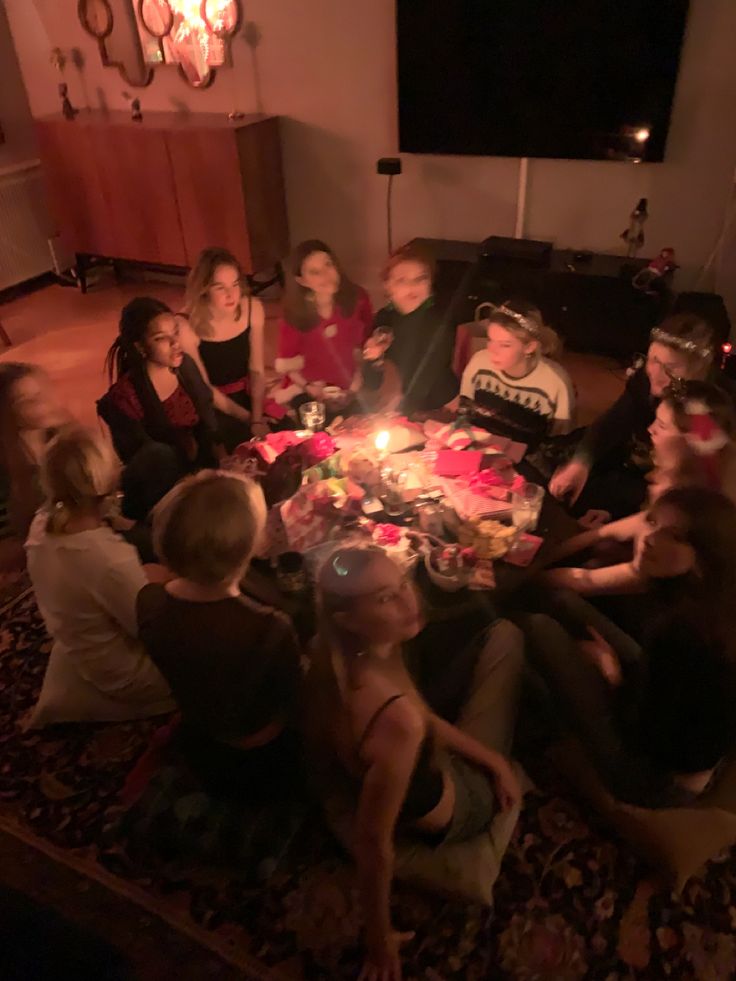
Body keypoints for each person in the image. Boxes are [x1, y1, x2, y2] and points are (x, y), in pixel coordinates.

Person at [306, 546, 523, 980]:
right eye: (386, 598)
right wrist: (379, 942)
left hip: (410, 760)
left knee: (487, 650)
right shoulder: (396, 720)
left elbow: (423, 717)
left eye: (404, 584)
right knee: (508, 640)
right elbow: (373, 844)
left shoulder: (334, 650)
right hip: (461, 807)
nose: (411, 601)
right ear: (347, 618)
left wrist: (491, 760)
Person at [523, 486, 736, 808]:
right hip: (664, 711)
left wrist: (612, 676)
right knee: (562, 601)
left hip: (654, 776)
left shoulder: (683, 631)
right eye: (652, 524)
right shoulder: (703, 589)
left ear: (705, 557)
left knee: (540, 629)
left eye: (675, 536)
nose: (650, 538)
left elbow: (649, 738)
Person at [137, 470, 303, 803]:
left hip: (199, 735)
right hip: (264, 755)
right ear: (252, 544)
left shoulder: (149, 602)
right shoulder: (269, 627)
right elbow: (293, 697)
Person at [25, 427, 173, 727]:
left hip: (83, 639)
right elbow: (152, 631)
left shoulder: (40, 526)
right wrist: (167, 580)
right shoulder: (106, 558)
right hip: (126, 673)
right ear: (103, 480)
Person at [541, 379, 736, 596]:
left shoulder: (695, 509)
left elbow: (599, 580)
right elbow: (608, 532)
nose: (650, 429)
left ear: (689, 444)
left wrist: (530, 576)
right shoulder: (680, 485)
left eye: (661, 426)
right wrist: (548, 555)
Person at [549, 313, 728, 518]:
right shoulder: (644, 380)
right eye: (653, 360)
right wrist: (581, 463)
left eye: (669, 368)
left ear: (698, 368)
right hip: (631, 459)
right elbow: (613, 422)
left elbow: (697, 492)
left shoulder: (709, 412)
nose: (656, 374)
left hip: (661, 486)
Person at [97, 297, 219, 521]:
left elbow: (208, 415)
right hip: (162, 491)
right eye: (161, 338)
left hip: (198, 468)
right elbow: (147, 462)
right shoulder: (125, 399)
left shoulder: (184, 367)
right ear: (140, 347)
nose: (175, 343)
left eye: (175, 333)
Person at [180, 247, 269, 450]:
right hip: (214, 406)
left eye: (235, 284)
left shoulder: (252, 308)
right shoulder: (186, 325)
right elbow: (204, 390)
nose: (231, 294)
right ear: (204, 289)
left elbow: (257, 370)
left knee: (285, 431)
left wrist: (257, 418)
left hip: (249, 395)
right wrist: (249, 420)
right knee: (241, 445)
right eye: (220, 287)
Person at [454, 299, 574, 445]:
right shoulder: (479, 363)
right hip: (476, 454)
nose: (492, 350)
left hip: (523, 464)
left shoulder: (556, 384)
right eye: (490, 340)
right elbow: (464, 415)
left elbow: (558, 446)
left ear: (529, 347)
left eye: (505, 345)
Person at [274, 240, 373, 417]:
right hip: (308, 386)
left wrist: (357, 380)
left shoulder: (358, 298)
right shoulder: (294, 314)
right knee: (320, 431)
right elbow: (288, 364)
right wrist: (309, 387)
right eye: (315, 272)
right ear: (302, 281)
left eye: (328, 264)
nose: (326, 275)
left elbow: (365, 345)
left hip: (350, 384)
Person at [363, 242, 459, 414]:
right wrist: (373, 358)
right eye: (401, 280)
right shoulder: (384, 318)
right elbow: (372, 382)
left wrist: (400, 412)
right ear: (387, 286)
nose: (412, 287)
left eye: (420, 279)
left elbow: (427, 375)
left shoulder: (438, 321)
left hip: (438, 409)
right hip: (396, 406)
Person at [0, 363, 71, 539]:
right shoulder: (6, 471)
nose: (42, 404)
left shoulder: (63, 436)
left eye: (40, 394)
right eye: (25, 401)